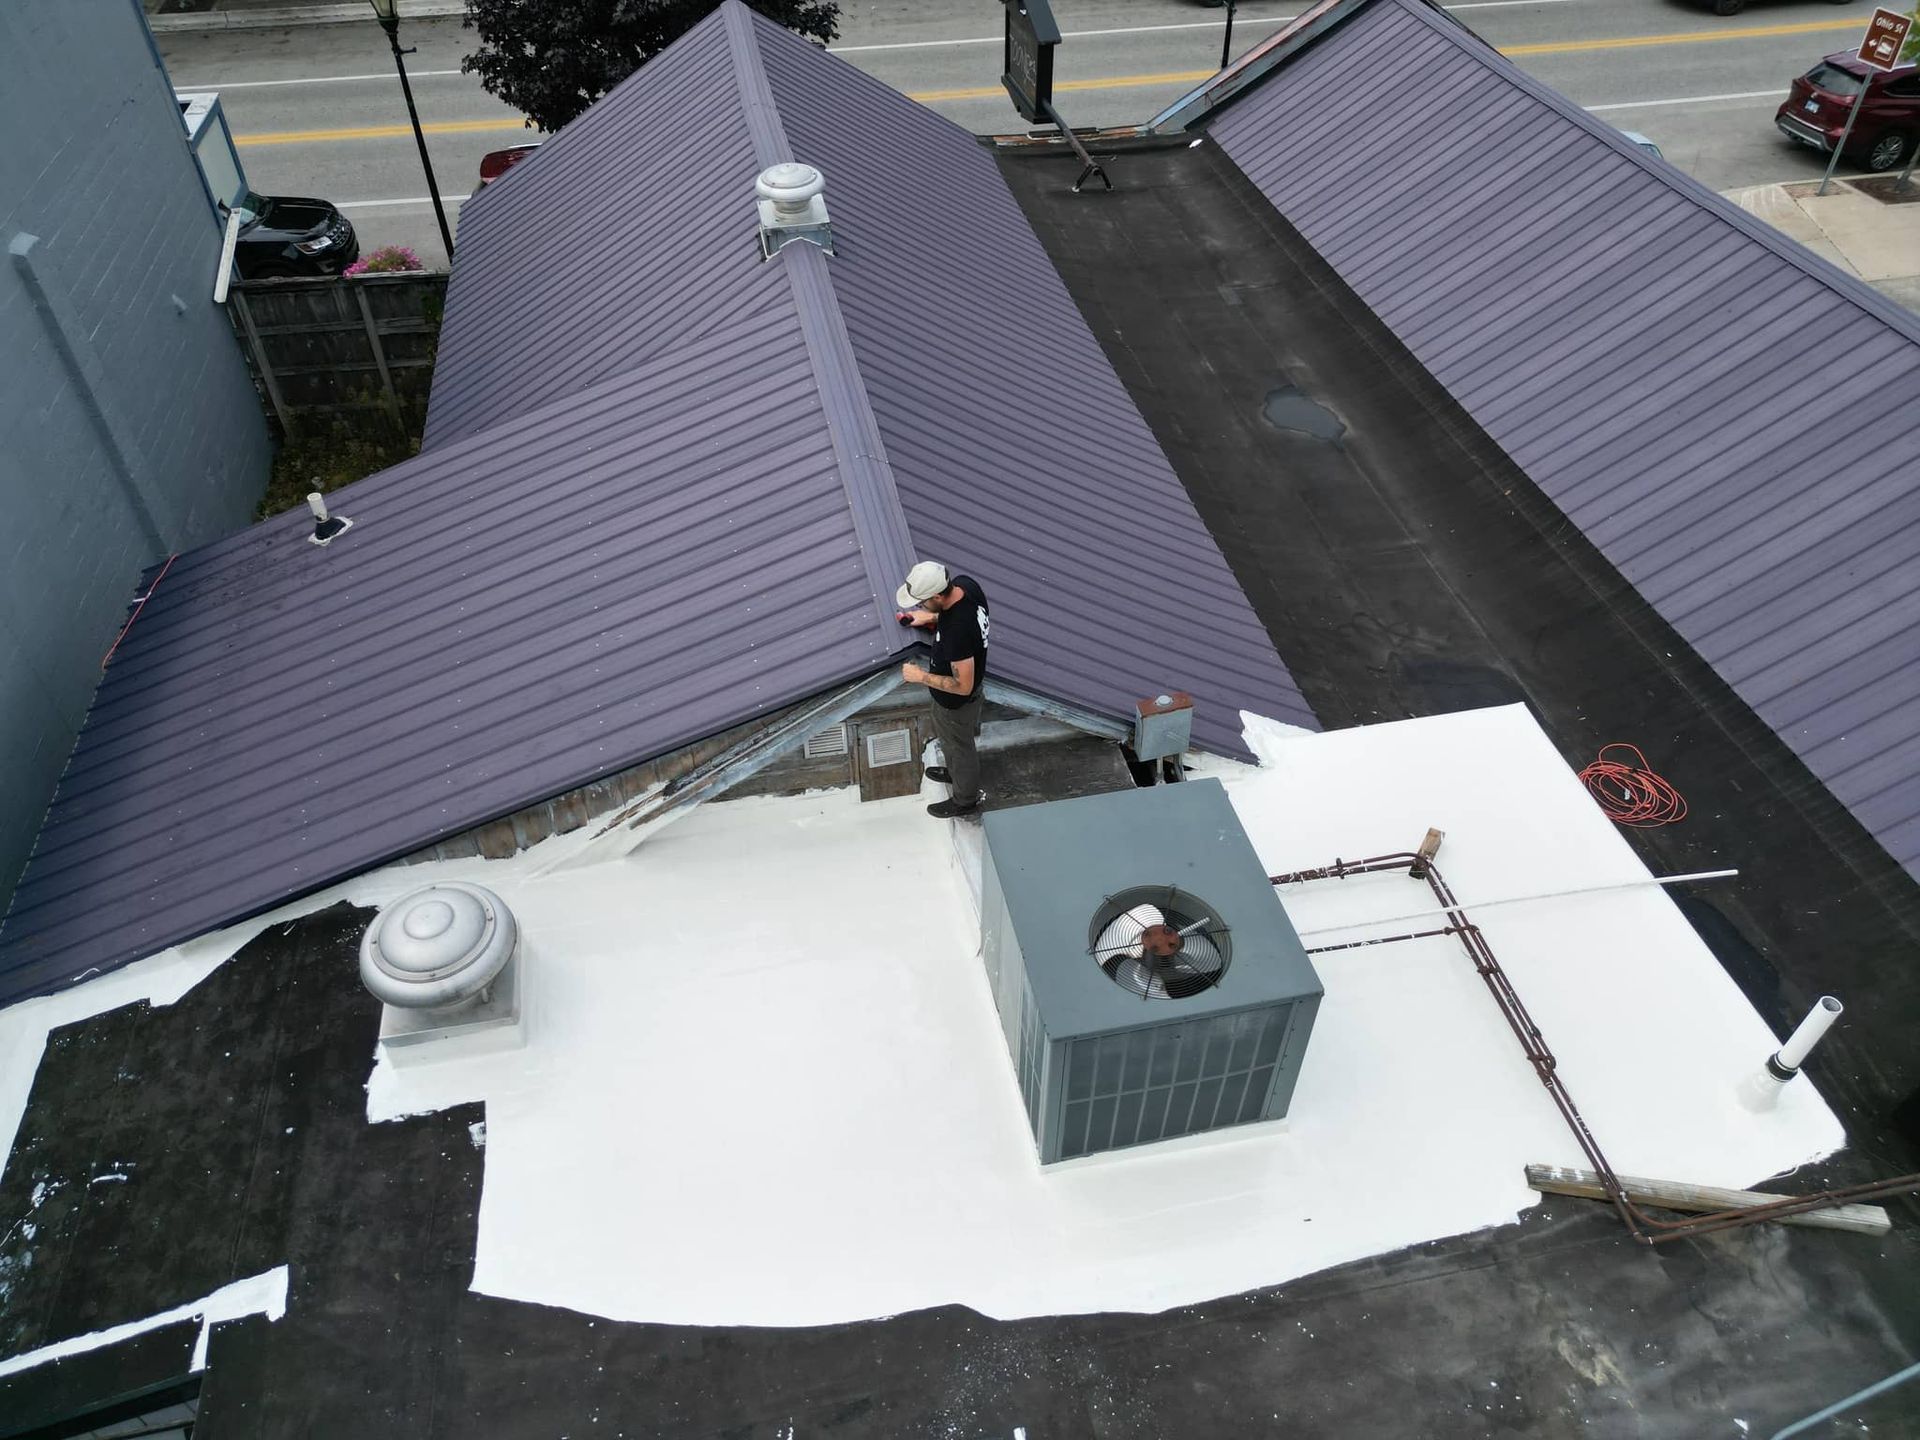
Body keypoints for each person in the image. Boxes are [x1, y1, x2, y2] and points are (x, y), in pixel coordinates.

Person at [895, 561, 990, 819]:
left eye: (922, 602)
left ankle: (965, 800)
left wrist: (920, 676)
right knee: (952, 744)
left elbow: (963, 686)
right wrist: (929, 617)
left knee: (961, 749)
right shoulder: (966, 586)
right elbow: (955, 615)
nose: (918, 606)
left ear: (937, 595)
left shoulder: (957, 631)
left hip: (956, 704)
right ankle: (956, 773)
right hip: (950, 702)